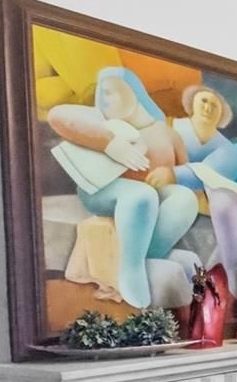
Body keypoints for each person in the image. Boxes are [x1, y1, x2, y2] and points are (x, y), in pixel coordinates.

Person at [47, 68, 195, 308]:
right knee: (141, 195)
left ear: (133, 91)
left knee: (184, 198)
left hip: (151, 190)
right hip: (103, 190)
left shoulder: (165, 131)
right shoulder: (101, 121)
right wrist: (109, 142)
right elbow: (57, 115)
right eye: (101, 93)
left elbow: (186, 172)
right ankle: (131, 269)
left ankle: (145, 257)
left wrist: (171, 174)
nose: (105, 98)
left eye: (111, 91)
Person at [170, 84, 237, 296]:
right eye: (204, 101)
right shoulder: (171, 128)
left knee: (223, 201)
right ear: (192, 103)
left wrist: (173, 175)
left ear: (222, 114)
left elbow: (206, 175)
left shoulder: (228, 151)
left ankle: (228, 271)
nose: (207, 108)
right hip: (176, 194)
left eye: (214, 105)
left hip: (211, 194)